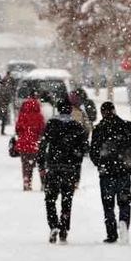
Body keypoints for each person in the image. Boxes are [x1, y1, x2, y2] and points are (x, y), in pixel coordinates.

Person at [37, 99, 88, 244]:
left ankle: (53, 225)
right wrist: (77, 171)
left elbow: (43, 146)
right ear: (70, 110)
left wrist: (41, 166)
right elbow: (84, 150)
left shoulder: (51, 124)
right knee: (67, 200)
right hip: (70, 168)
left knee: (50, 199)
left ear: (58, 110)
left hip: (53, 167)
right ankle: (64, 228)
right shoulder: (77, 127)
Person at [90, 102, 131, 244]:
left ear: (102, 113)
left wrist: (99, 162)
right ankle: (124, 222)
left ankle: (111, 233)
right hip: (124, 171)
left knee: (108, 204)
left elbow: (93, 152)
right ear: (114, 111)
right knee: (124, 202)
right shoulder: (126, 126)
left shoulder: (99, 129)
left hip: (106, 173)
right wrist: (126, 151)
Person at [15, 92, 46, 191]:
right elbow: (42, 130)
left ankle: (26, 180)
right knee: (39, 163)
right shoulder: (39, 116)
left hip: (24, 143)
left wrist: (22, 135)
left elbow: (18, 129)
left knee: (25, 164)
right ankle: (43, 183)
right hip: (35, 144)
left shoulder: (22, 115)